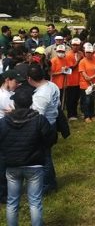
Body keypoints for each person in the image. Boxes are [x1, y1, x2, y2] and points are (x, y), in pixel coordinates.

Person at [0, 86, 56, 226]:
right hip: (34, 164)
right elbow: (51, 138)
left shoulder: (4, 122)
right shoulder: (39, 120)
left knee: (12, 202)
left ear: (14, 104)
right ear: (30, 103)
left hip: (12, 165)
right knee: (35, 201)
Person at [27, 64, 60, 195]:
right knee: (46, 155)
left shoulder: (40, 95)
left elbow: (37, 116)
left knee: (44, 157)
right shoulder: (52, 85)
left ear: (29, 78)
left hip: (44, 127)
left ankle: (48, 185)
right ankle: (50, 182)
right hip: (52, 122)